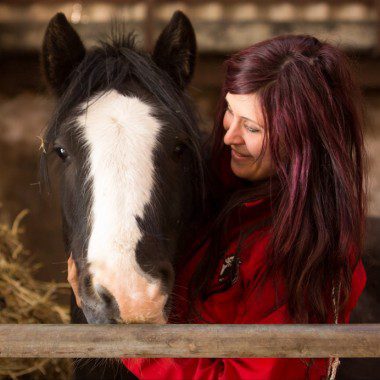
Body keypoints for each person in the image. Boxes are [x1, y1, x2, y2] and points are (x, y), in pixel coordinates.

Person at [68, 34, 367, 379]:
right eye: (229, 111)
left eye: (252, 127)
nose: (228, 136)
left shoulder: (306, 256)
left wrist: (140, 340)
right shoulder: (213, 179)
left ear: (302, 141)